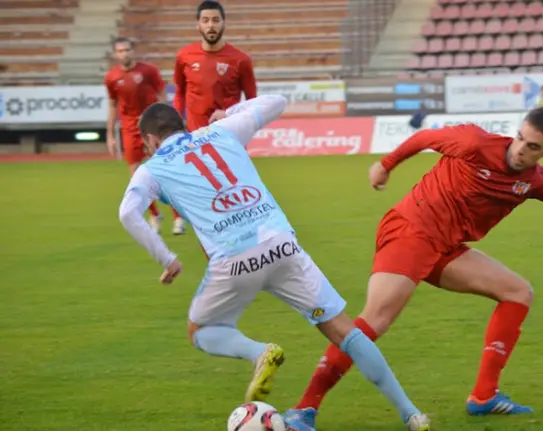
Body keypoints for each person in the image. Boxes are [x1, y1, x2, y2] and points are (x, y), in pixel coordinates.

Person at [284, 107, 543, 429]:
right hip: (411, 229)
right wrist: (386, 164)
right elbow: (425, 138)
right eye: (520, 139)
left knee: (518, 291)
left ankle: (483, 397)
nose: (519, 150)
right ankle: (305, 410)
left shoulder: (538, 181)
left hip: (445, 246)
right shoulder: (474, 142)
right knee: (374, 320)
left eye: (532, 147)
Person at [117, 95, 431, 431]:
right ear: (181, 125)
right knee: (345, 332)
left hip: (234, 260)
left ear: (150, 139)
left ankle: (258, 352)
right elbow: (277, 101)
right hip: (281, 245)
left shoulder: (153, 168)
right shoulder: (222, 130)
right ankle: (412, 414)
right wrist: (231, 111)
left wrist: (167, 258)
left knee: (200, 330)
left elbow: (127, 213)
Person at [104, 37, 185, 235]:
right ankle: (155, 214)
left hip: (151, 126)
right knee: (136, 175)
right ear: (116, 54)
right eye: (120, 51)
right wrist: (110, 135)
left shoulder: (148, 70)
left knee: (163, 171)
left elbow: (162, 94)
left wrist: (163, 120)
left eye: (127, 50)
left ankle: (178, 216)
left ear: (133, 51)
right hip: (130, 128)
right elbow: (113, 105)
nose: (124, 53)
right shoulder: (111, 77)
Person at [173, 0, 257, 132]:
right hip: (196, 136)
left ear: (224, 23)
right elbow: (180, 93)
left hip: (230, 135)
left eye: (216, 20)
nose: (211, 25)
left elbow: (252, 101)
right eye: (205, 20)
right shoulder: (184, 56)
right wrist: (176, 124)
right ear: (198, 25)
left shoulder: (241, 60)